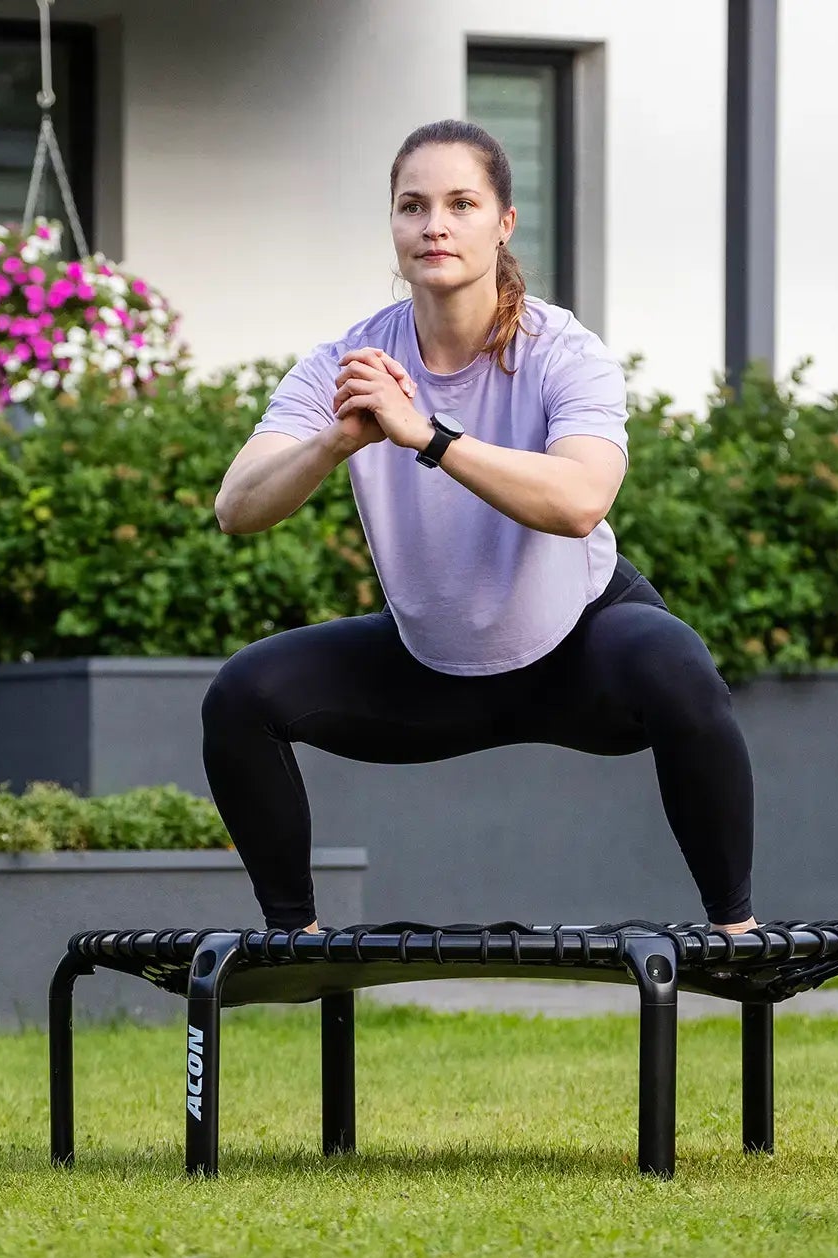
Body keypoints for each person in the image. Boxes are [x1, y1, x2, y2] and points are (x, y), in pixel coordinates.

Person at [203, 118, 757, 937]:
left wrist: (428, 435)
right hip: (431, 665)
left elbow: (579, 501)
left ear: (502, 222)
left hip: (579, 648)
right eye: (411, 206)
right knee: (242, 696)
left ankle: (735, 935)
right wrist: (334, 440)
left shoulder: (564, 351)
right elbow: (236, 506)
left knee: (675, 660)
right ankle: (297, 940)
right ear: (392, 226)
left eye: (461, 203)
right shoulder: (347, 362)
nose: (434, 225)